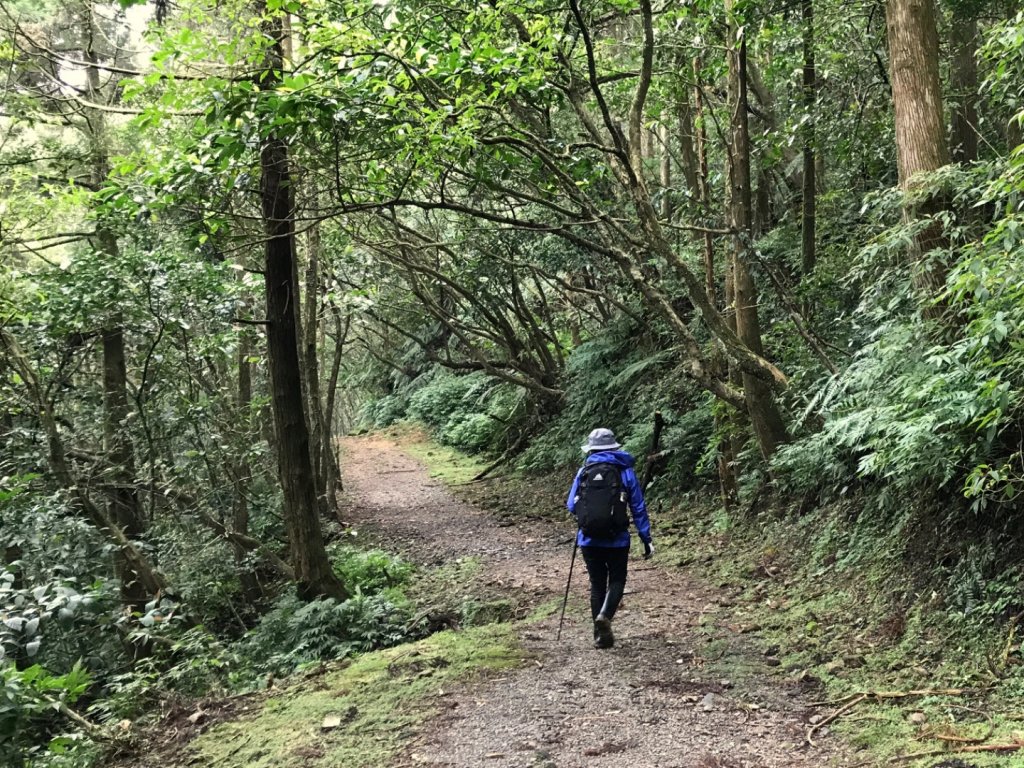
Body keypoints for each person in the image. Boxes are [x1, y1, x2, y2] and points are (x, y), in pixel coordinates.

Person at [566, 427, 653, 648]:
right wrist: (646, 537)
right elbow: (638, 507)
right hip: (618, 539)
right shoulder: (625, 471)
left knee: (597, 583)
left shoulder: (583, 471)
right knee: (617, 580)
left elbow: (571, 505)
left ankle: (600, 636)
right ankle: (604, 616)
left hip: (588, 539)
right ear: (614, 447)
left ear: (592, 449)